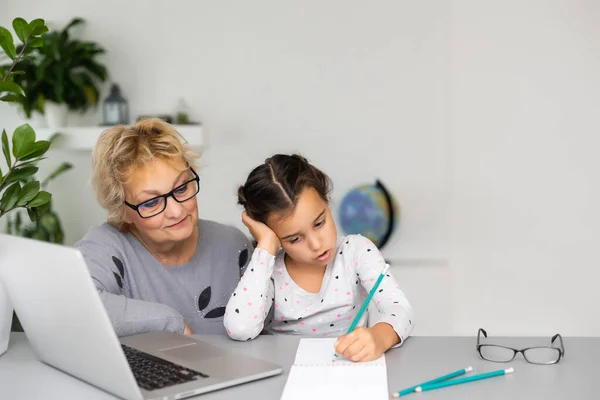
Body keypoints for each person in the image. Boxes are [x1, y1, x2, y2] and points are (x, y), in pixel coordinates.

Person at [224, 154, 414, 362]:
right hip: (286, 375)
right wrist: (266, 246)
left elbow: (400, 308)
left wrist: (379, 337)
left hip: (347, 369)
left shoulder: (356, 251)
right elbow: (240, 328)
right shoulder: (268, 270)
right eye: (295, 238)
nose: (316, 244)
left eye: (319, 223)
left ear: (327, 201)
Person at [74, 118, 252, 337]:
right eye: (151, 203)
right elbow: (75, 303)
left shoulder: (232, 245)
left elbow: (273, 337)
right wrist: (169, 322)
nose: (176, 211)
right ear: (122, 211)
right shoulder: (106, 245)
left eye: (181, 188)